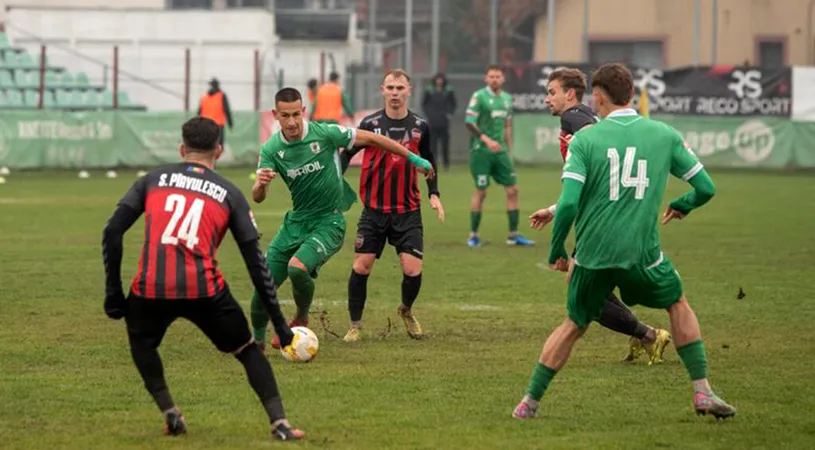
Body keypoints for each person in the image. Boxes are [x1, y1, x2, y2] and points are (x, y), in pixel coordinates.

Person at [512, 63, 736, 420]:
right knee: (677, 303)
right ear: (632, 95)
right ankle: (702, 391)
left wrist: (556, 250)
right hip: (642, 254)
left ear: (597, 97)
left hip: (592, 254)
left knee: (574, 323)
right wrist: (683, 204)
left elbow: (571, 202)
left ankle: (529, 403)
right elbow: (706, 188)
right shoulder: (664, 135)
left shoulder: (585, 139)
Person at [101, 117, 305, 441]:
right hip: (204, 290)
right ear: (219, 151)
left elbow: (112, 230)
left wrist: (113, 292)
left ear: (182, 148)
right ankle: (279, 423)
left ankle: (171, 413)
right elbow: (256, 263)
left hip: (151, 288)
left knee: (142, 343)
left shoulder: (151, 180)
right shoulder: (230, 193)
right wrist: (280, 325)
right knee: (248, 350)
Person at [250, 87, 434, 351]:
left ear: (303, 112)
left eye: (295, 114)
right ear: (275, 115)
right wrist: (260, 184)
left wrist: (414, 157)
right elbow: (258, 198)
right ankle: (256, 344)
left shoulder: (324, 133)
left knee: (297, 268)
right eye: (284, 116)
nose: (291, 122)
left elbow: (372, 139)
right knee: (263, 287)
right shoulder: (271, 149)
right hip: (295, 223)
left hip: (329, 222)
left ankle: (301, 316)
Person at [528, 67, 671, 364]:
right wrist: (555, 210)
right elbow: (591, 178)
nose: (546, 99)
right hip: (606, 210)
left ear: (569, 94)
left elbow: (597, 156)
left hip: (601, 219)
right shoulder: (582, 117)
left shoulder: (574, 118)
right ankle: (645, 335)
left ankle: (649, 335)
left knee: (584, 295)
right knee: (590, 290)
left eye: (551, 92)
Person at [339, 69, 444, 342]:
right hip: (373, 211)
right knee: (361, 267)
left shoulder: (421, 126)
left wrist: (434, 193)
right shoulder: (370, 124)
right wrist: (334, 183)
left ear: (409, 90)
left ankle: (406, 310)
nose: (395, 93)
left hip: (407, 211)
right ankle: (355, 325)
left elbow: (430, 160)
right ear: (382, 90)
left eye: (400, 88)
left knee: (413, 270)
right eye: (390, 88)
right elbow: (346, 153)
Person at [465, 64, 533, 248]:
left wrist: (509, 151)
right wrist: (486, 140)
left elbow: (507, 126)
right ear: (486, 79)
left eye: (498, 76)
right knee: (481, 191)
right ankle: (473, 236)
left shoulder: (507, 99)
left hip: (500, 152)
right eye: (491, 76)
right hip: (481, 151)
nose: (495, 79)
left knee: (513, 190)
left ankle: (513, 235)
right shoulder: (479, 97)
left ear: (503, 79)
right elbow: (469, 122)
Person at [421, 72, 457, 171]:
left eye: (441, 79)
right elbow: (424, 104)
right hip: (433, 122)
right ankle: (433, 163)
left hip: (444, 122)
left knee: (445, 145)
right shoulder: (429, 90)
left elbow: (453, 103)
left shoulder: (448, 90)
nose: (439, 81)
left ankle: (446, 165)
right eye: (438, 79)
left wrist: (449, 114)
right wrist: (429, 115)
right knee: (433, 145)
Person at [198, 78, 234, 148]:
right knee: (218, 147)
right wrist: (230, 124)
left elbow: (199, 112)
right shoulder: (222, 95)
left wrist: (198, 126)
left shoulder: (204, 97)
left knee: (206, 146)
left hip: (205, 126)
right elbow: (227, 110)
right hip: (218, 126)